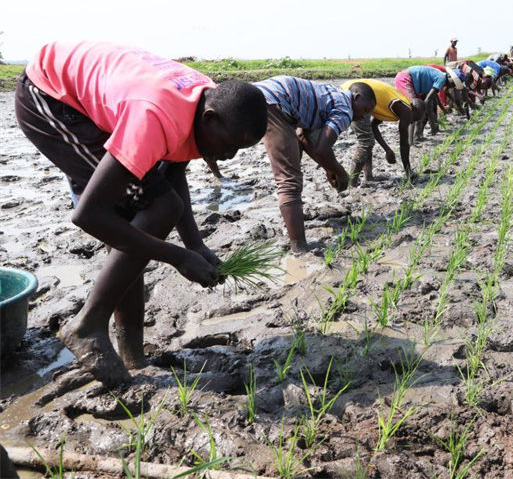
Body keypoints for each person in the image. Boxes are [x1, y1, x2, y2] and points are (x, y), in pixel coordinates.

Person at [15, 41, 268, 387]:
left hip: (100, 96)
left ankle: (133, 354)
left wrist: (195, 244)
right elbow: (89, 215)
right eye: (230, 145)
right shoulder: (155, 115)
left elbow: (173, 169)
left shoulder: (202, 105)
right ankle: (88, 325)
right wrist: (177, 256)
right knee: (148, 207)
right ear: (210, 119)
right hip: (50, 97)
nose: (230, 156)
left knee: (146, 209)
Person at [254, 76, 376, 253]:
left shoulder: (331, 94)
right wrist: (341, 172)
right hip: (274, 102)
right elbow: (321, 149)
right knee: (289, 181)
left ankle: (293, 222)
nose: (363, 116)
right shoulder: (345, 110)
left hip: (261, 94)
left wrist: (329, 168)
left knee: (294, 153)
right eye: (365, 109)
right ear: (356, 98)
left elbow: (304, 137)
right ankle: (300, 248)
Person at [341, 79, 425, 185]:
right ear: (414, 109)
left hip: (360, 95)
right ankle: (351, 182)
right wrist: (408, 171)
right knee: (366, 141)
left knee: (368, 139)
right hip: (356, 96)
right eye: (415, 118)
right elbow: (404, 143)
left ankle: (368, 177)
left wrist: (387, 150)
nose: (412, 122)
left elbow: (373, 126)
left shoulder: (393, 106)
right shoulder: (405, 109)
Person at [394, 65, 452, 140]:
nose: (452, 87)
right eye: (453, 84)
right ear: (450, 78)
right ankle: (410, 141)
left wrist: (443, 109)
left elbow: (434, 97)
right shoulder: (442, 78)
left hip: (415, 85)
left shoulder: (440, 77)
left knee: (421, 110)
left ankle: (417, 135)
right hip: (406, 79)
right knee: (415, 109)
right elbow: (427, 102)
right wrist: (433, 124)